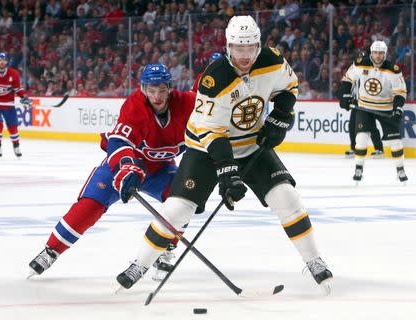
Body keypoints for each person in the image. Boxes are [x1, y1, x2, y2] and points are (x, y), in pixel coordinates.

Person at [116, 15, 333, 293]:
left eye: (250, 48)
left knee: (286, 197)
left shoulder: (273, 60)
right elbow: (211, 132)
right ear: (228, 47)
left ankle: (313, 260)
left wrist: (280, 115)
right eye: (238, 49)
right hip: (205, 148)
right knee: (177, 209)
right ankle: (140, 264)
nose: (245, 56)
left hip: (251, 143)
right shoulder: (214, 78)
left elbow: (288, 87)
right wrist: (227, 172)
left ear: (258, 45)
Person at [28, 64, 197, 281]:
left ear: (170, 88)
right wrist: (127, 167)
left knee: (183, 198)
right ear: (143, 89)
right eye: (151, 90)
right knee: (91, 203)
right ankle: (52, 250)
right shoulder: (135, 105)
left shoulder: (189, 104)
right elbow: (118, 142)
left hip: (162, 168)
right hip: (128, 164)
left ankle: (164, 250)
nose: (157, 96)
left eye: (162, 89)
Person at [339, 40, 408, 183]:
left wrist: (398, 108)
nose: (377, 56)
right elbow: (347, 79)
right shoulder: (360, 63)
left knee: (395, 141)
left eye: (381, 53)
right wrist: (345, 96)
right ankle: (359, 168)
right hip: (365, 107)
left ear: (385, 54)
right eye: (375, 53)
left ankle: (400, 169)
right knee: (361, 138)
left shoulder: (393, 70)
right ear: (371, 52)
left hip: (386, 108)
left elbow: (400, 92)